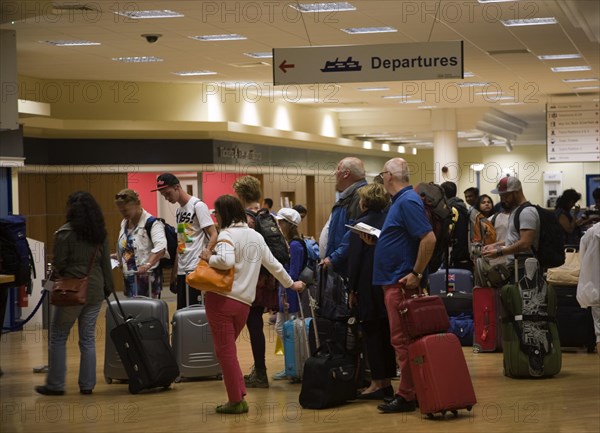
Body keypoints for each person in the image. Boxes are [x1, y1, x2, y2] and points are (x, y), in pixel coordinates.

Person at [199, 195, 304, 414]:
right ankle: (239, 394)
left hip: (222, 301)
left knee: (225, 352)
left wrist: (209, 257)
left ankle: (236, 401)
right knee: (229, 351)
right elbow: (274, 265)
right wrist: (291, 284)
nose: (215, 217)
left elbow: (225, 261)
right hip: (244, 304)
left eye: (216, 213)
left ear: (224, 214)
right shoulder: (255, 236)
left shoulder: (226, 235)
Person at [370, 158, 436, 413]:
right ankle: (411, 390)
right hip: (393, 281)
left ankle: (407, 394)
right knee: (402, 341)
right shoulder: (402, 201)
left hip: (400, 283)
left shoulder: (407, 201)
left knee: (402, 341)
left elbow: (427, 238)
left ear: (388, 175)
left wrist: (416, 273)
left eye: (381, 173)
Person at [35, 191, 113, 396]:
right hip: (95, 290)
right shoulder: (100, 234)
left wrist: (48, 287)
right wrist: (108, 288)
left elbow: (59, 265)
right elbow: (106, 265)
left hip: (71, 291)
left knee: (58, 336)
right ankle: (87, 385)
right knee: (87, 338)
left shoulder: (63, 233)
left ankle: (55, 384)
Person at [347, 183, 396, 400]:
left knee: (371, 334)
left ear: (364, 202)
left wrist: (351, 289)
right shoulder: (391, 222)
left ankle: (377, 383)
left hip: (367, 285)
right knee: (387, 333)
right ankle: (387, 382)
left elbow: (355, 261)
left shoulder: (360, 226)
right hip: (388, 282)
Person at [232, 175, 277, 388]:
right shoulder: (268, 216)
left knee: (250, 325)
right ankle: (260, 370)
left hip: (250, 279)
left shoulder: (244, 219)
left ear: (240, 195)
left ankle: (259, 372)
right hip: (266, 279)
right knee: (255, 324)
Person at [153, 173, 218, 309]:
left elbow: (213, 234)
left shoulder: (198, 205)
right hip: (183, 269)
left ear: (177, 187)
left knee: (195, 312)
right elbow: (181, 243)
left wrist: (206, 255)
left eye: (168, 193)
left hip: (196, 268)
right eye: (164, 195)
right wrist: (175, 271)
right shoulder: (179, 211)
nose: (167, 198)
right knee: (183, 312)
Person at [272, 207, 306, 380]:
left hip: (290, 292)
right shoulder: (291, 243)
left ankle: (293, 365)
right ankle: (291, 364)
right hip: (286, 290)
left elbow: (293, 272)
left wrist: (285, 292)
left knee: (288, 329)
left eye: (281, 222)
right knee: (283, 328)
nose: (278, 225)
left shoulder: (294, 245)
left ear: (287, 224)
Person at [113, 189, 166, 298]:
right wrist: (118, 255)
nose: (123, 214)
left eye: (126, 210)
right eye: (121, 211)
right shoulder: (125, 222)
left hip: (147, 279)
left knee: (148, 312)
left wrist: (147, 265)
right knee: (133, 312)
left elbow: (161, 248)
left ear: (137, 204)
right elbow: (129, 246)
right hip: (130, 278)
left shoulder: (152, 223)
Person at [482, 176, 539, 278]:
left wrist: (499, 252)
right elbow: (514, 239)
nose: (502, 199)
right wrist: (495, 246)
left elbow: (525, 243)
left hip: (525, 269)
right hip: (516, 266)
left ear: (516, 192)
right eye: (501, 196)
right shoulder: (516, 211)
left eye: (505, 195)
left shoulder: (527, 212)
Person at [321, 156, 368, 277]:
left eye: (338, 169)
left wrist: (334, 258)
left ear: (346, 173)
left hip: (346, 269)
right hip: (339, 266)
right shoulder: (347, 197)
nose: (335, 174)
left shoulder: (360, 197)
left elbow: (355, 233)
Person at [441, 181, 471, 271]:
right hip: (462, 250)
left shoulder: (452, 208)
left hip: (456, 252)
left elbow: (450, 231)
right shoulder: (460, 206)